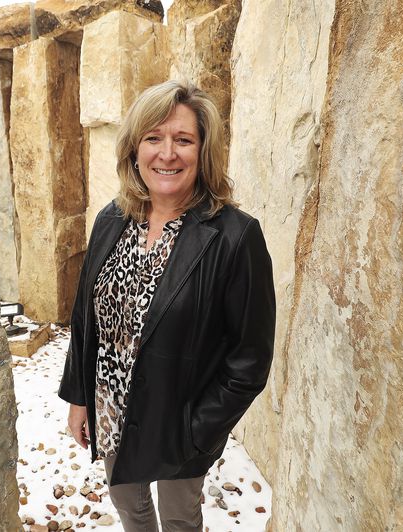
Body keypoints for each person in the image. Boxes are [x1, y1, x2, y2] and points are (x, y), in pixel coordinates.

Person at [58, 80, 276, 532]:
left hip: (181, 415)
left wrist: (200, 429)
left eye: (183, 140)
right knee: (129, 507)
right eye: (153, 138)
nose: (167, 153)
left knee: (179, 519)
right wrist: (80, 396)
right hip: (111, 404)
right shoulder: (110, 219)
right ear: (135, 150)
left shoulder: (235, 237)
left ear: (204, 151)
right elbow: (85, 319)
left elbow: (250, 358)